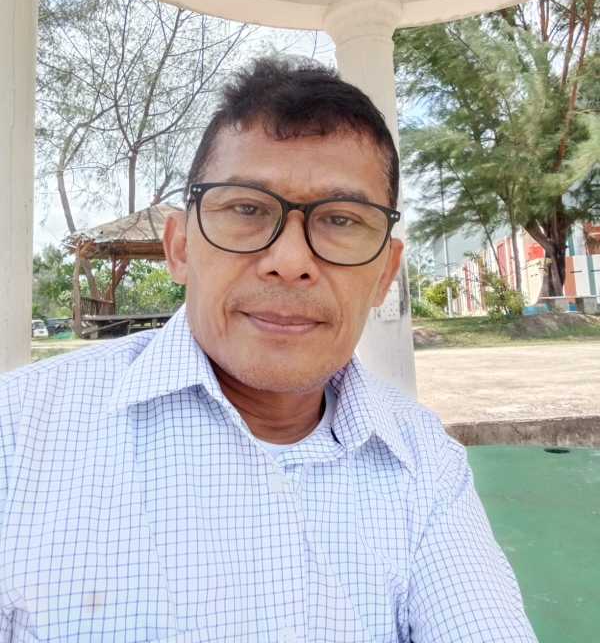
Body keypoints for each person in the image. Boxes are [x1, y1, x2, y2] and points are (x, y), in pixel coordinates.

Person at [0, 58, 537, 642]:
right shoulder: (18, 432)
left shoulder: (425, 462)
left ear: (385, 273)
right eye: (247, 209)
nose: (290, 260)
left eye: (340, 220)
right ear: (181, 247)